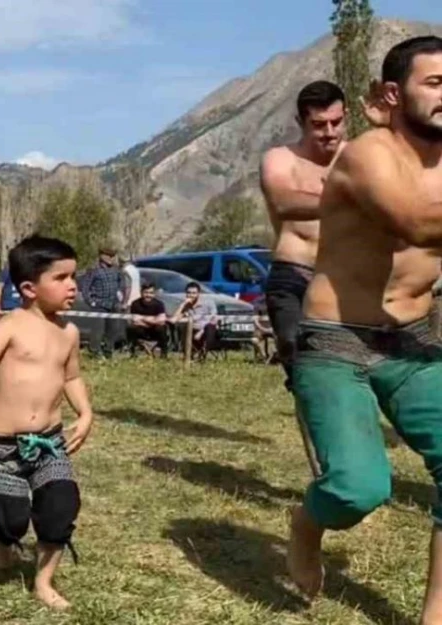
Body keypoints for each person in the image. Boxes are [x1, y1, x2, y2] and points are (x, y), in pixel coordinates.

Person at [285, 37, 442, 623]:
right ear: (396, 95)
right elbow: (417, 222)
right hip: (336, 341)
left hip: (414, 342)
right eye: (436, 83)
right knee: (357, 489)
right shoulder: (368, 155)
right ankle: (306, 523)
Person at [0, 234, 93, 610]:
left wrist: (85, 412)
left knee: (60, 507)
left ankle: (43, 582)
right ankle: (0, 541)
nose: (73, 285)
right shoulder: (11, 324)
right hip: (3, 444)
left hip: (50, 443)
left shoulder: (69, 332)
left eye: (74, 276)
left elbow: (71, 377)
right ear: (29, 288)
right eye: (62, 278)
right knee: (10, 518)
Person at [259, 80, 347, 389]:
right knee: (301, 367)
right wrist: (350, 199)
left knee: (344, 371)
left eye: (337, 122)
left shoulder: (360, 158)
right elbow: (284, 202)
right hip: (292, 274)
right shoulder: (280, 158)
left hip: (344, 278)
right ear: (300, 122)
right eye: (319, 124)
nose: (329, 132)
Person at [81, 246, 124, 358]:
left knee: (113, 330)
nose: (110, 258)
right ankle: (95, 352)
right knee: (98, 331)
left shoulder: (116, 270)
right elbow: (85, 287)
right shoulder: (94, 270)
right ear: (101, 256)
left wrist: (120, 293)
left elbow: (121, 282)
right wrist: (91, 301)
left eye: (112, 256)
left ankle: (108, 350)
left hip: (113, 304)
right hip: (99, 304)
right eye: (108, 256)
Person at [171, 282, 218, 359]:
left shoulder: (208, 303)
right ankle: (189, 354)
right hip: (192, 330)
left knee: (210, 327)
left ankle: (203, 352)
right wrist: (182, 305)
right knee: (184, 327)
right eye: (189, 293)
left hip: (206, 330)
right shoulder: (186, 306)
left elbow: (214, 319)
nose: (191, 295)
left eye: (194, 293)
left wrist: (201, 332)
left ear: (198, 293)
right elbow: (173, 320)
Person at [126, 282, 169, 357]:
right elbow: (135, 321)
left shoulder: (159, 304)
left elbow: (162, 320)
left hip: (154, 330)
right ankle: (132, 352)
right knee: (131, 328)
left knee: (161, 328)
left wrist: (142, 318)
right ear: (141, 292)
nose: (148, 295)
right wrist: (154, 320)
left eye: (151, 293)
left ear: (154, 294)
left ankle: (164, 354)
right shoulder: (135, 304)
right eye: (146, 292)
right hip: (142, 329)